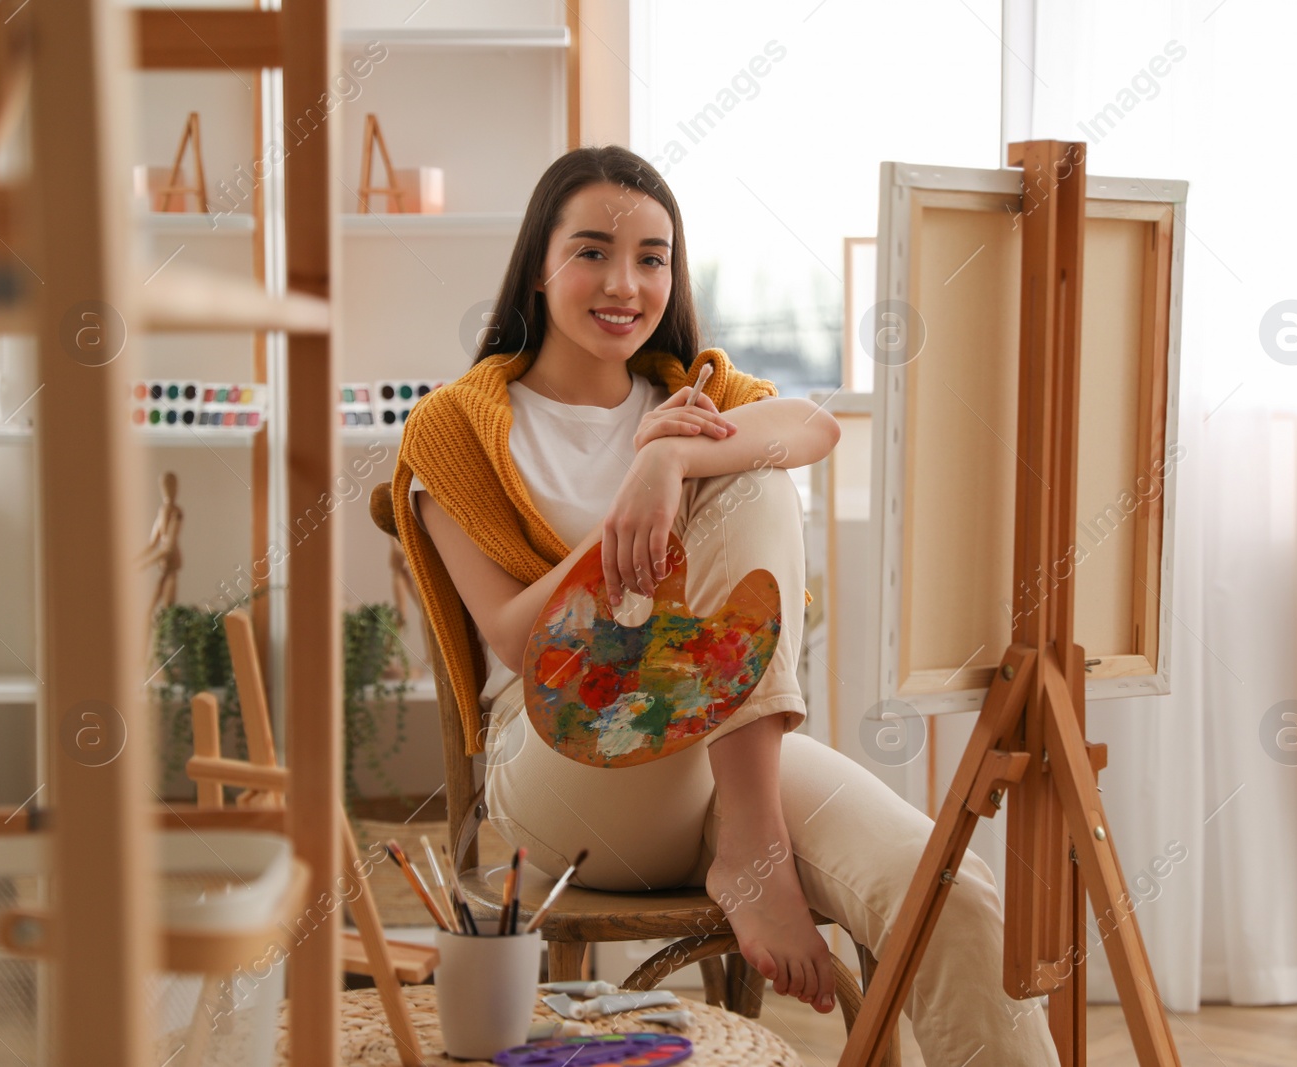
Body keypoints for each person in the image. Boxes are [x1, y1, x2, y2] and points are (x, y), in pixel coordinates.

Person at [393, 144, 1058, 1063]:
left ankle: (752, 840)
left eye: (652, 257)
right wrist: (632, 498)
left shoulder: (689, 398)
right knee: (751, 484)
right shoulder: (455, 426)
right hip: (564, 762)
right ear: (538, 267)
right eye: (590, 251)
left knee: (952, 887)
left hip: (716, 750)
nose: (624, 282)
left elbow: (810, 425)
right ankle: (754, 845)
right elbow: (512, 638)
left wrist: (671, 455)